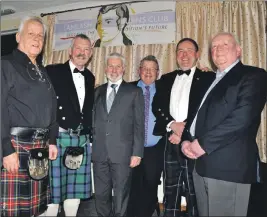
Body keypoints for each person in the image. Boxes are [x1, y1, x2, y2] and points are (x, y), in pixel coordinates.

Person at [182, 32, 267, 216]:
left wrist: (202, 144)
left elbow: (241, 118)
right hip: (201, 166)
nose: (217, 49)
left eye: (224, 45)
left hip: (228, 168)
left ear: (238, 51)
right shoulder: (209, 80)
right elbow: (196, 116)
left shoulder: (253, 75)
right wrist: (186, 140)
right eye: (213, 46)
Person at [1, 16, 58, 217]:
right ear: (18, 37)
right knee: (14, 211)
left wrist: (51, 140)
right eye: (31, 34)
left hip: (39, 147)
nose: (36, 39)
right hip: (17, 146)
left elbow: (51, 106)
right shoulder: (5, 65)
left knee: (34, 209)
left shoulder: (41, 70)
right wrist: (6, 149)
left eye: (41, 36)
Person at [152, 38, 215, 217]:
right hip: (170, 141)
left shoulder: (209, 77)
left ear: (197, 54)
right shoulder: (165, 78)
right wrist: (173, 125)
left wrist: (184, 132)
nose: (184, 54)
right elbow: (157, 107)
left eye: (189, 50)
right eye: (180, 50)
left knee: (194, 191)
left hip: (194, 142)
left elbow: (206, 110)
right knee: (170, 191)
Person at [45, 34, 95, 217]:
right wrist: (49, 138)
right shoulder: (53, 71)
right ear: (70, 51)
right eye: (78, 48)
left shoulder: (90, 77)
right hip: (59, 137)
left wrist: (89, 138)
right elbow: (45, 105)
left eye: (86, 49)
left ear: (91, 54)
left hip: (81, 139)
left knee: (74, 190)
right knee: (53, 190)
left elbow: (87, 110)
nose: (82, 52)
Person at [92, 52, 144, 217]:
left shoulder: (134, 92)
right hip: (99, 153)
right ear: (105, 68)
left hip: (123, 154)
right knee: (100, 195)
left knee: (121, 195)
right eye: (110, 66)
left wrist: (137, 153)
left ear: (123, 69)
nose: (113, 70)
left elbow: (139, 124)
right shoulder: (97, 91)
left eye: (117, 66)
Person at [127, 55, 165, 217]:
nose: (148, 72)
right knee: (132, 185)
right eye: (145, 68)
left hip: (155, 148)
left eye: (152, 69)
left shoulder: (166, 89)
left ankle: (149, 212)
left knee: (151, 183)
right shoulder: (127, 89)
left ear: (157, 72)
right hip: (131, 147)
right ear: (139, 71)